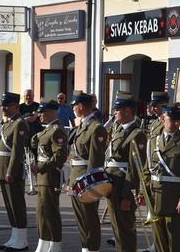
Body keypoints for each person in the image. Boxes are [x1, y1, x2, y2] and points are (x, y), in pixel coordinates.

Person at [143, 103, 180, 252]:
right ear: (163, 118)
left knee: (175, 244)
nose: (176, 123)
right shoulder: (152, 142)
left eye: (179, 120)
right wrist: (142, 192)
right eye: (172, 119)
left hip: (176, 200)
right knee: (160, 244)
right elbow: (146, 171)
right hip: (155, 199)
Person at [104, 91, 146, 252]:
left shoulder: (137, 134)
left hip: (123, 187)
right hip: (113, 185)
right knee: (117, 229)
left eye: (117, 109)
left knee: (125, 230)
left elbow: (135, 168)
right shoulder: (119, 129)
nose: (114, 112)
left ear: (128, 111)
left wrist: (128, 195)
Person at [69, 91, 108, 252]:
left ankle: (92, 248)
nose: (72, 109)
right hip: (76, 178)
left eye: (74, 106)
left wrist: (90, 185)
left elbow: (95, 161)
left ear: (81, 106)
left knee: (89, 218)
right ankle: (85, 247)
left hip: (86, 181)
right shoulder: (82, 126)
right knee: (81, 219)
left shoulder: (96, 128)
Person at [30, 99, 68, 252]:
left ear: (53, 112)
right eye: (39, 112)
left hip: (51, 176)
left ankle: (55, 243)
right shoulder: (47, 129)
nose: (40, 115)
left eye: (43, 112)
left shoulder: (57, 130)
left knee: (51, 212)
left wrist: (40, 166)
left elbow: (60, 156)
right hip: (42, 176)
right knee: (41, 212)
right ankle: (43, 241)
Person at [0, 92, 30, 251]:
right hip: (3, 168)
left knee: (17, 205)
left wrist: (11, 171)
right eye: (3, 105)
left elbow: (17, 150)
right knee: (9, 205)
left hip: (12, 170)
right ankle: (14, 237)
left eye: (7, 105)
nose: (4, 108)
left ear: (16, 106)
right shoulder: (8, 123)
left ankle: (22, 240)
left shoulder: (19, 124)